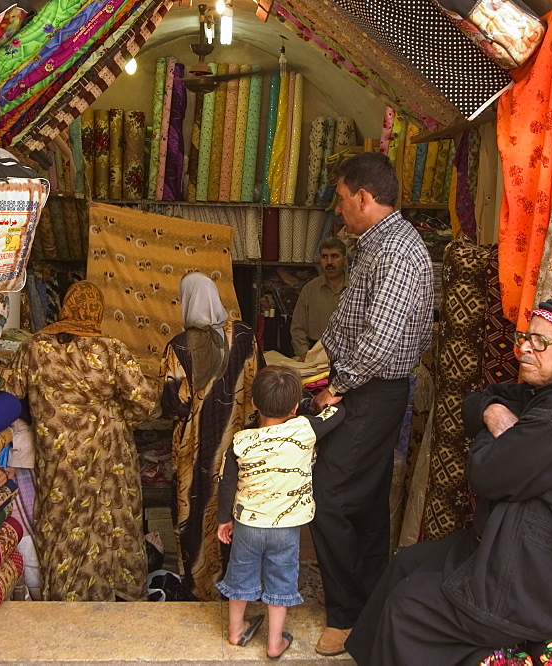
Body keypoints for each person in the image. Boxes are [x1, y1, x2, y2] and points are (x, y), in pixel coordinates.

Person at [345, 300, 552, 665]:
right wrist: (494, 413)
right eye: (525, 338)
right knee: (407, 562)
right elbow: (478, 401)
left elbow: (485, 474)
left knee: (409, 610)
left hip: (549, 576)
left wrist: (496, 427)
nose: (525, 350)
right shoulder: (547, 392)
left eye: (541, 342)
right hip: (518, 539)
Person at [308, 151, 434, 656]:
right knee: (363, 499)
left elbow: (380, 340)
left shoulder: (397, 250)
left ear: (364, 197)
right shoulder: (371, 245)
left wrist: (339, 386)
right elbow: (355, 319)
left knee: (328, 496)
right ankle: (369, 604)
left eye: (342, 200)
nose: (338, 210)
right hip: (361, 384)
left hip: (371, 390)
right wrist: (324, 366)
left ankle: (345, 615)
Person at [8, 281, 158, 602]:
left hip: (58, 455)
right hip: (110, 452)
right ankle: (118, 591)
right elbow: (145, 403)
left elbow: (10, 394)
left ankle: (66, 596)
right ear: (97, 310)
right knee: (115, 519)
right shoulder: (112, 349)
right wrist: (113, 413)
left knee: (62, 520)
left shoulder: (33, 348)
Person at [215, 365, 346, 659]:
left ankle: (236, 631)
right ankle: (275, 641)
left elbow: (226, 485)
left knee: (240, 575)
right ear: (295, 406)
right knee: (281, 578)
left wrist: (224, 520)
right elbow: (338, 415)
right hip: (286, 527)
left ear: (254, 404)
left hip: (247, 525)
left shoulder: (240, 442)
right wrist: (325, 400)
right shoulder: (305, 428)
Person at [159, 272, 263, 601]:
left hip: (196, 454)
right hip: (241, 446)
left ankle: (201, 589)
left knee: (196, 515)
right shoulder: (245, 335)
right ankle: (243, 588)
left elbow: (173, 404)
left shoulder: (179, 346)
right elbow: (257, 389)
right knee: (240, 512)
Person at [290, 237, 349, 358]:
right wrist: (305, 355)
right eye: (324, 257)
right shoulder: (309, 290)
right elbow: (298, 328)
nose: (329, 262)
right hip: (314, 353)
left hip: (349, 355)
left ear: (345, 260)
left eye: (335, 256)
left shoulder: (357, 289)